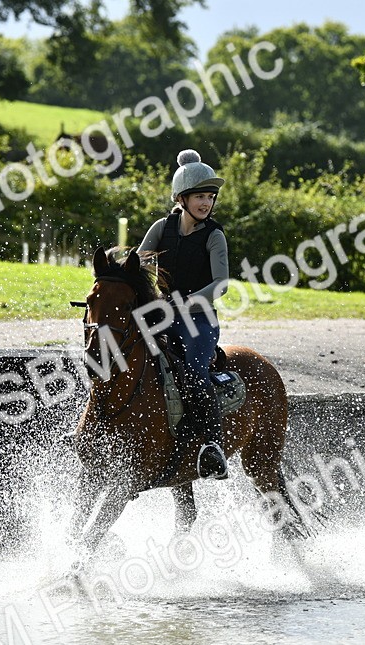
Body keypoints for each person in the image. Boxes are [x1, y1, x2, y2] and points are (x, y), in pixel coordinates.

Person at [136, 149, 230, 480]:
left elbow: (221, 284)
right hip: (162, 313)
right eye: (199, 197)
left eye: (210, 197)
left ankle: (214, 448)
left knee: (192, 371)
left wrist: (186, 302)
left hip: (199, 320)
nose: (206, 203)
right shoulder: (163, 227)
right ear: (181, 198)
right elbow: (139, 262)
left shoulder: (214, 235)